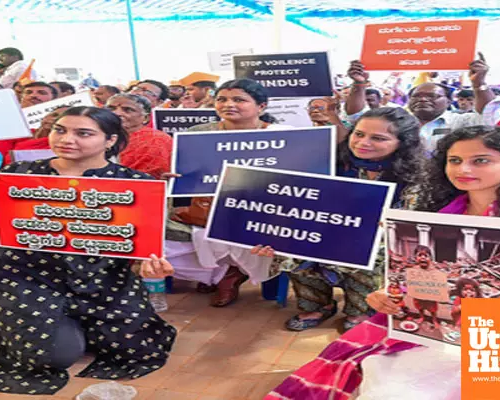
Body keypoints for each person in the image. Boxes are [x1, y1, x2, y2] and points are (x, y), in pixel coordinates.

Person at [265, 125, 500, 400]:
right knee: (391, 388)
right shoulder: (431, 214)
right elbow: (404, 275)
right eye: (454, 160)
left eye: (481, 160)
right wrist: (385, 295)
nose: (463, 169)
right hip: (430, 328)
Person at [0, 106, 177, 395]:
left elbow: (137, 255)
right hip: (26, 279)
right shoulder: (18, 174)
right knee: (54, 358)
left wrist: (147, 268)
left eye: (83, 133)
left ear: (110, 140)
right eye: (60, 130)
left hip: (103, 282)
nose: (66, 139)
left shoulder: (136, 185)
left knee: (135, 348)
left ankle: (74, 326)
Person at [254, 107, 424, 331]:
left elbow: (408, 224)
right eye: (359, 134)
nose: (363, 142)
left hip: (378, 241)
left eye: (378, 138)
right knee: (293, 244)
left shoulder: (416, 177)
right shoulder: (330, 162)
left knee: (369, 251)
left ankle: (360, 310)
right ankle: (316, 305)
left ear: (403, 142)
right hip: (323, 230)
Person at [167, 78, 291, 307]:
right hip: (208, 207)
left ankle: (229, 274)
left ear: (261, 106)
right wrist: (176, 176)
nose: (228, 104)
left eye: (239, 100)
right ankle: (221, 272)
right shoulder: (197, 133)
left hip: (265, 208)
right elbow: (192, 175)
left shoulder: (284, 135)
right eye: (222, 99)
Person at [347, 54, 500, 149]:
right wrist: (359, 84)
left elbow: (488, 114)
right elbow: (357, 116)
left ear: (449, 101)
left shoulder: (464, 121)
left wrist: (479, 84)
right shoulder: (397, 121)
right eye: (416, 96)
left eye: (432, 96)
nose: (423, 99)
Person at [105, 93, 172, 178]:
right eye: (111, 108)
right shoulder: (96, 135)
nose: (117, 113)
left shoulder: (156, 140)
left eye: (127, 110)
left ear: (145, 118)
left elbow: (151, 178)